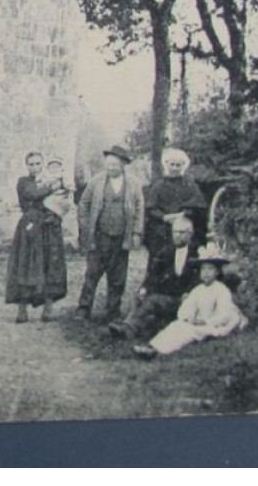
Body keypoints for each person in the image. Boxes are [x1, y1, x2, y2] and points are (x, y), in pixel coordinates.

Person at [133, 250, 246, 359]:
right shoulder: (197, 290)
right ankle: (151, 346)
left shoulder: (221, 290)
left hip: (213, 325)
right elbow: (186, 308)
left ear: (217, 272)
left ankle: (160, 351)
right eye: (203, 269)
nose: (206, 272)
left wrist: (205, 321)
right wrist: (188, 317)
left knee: (188, 332)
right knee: (176, 325)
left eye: (210, 269)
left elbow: (224, 315)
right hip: (196, 322)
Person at [76, 145, 144, 322]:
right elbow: (83, 204)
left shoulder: (134, 184)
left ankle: (113, 311)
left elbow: (139, 209)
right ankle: (83, 309)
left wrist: (136, 232)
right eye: (108, 164)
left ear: (123, 164)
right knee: (92, 273)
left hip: (122, 236)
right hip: (100, 236)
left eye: (114, 164)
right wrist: (85, 226)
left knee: (118, 276)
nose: (111, 167)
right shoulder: (96, 181)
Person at [111, 213, 200, 342]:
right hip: (167, 295)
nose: (177, 236)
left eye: (181, 232)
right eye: (174, 232)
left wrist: (189, 292)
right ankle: (128, 327)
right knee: (139, 295)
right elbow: (153, 274)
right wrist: (145, 288)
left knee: (153, 301)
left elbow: (199, 278)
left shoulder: (197, 252)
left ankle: (129, 328)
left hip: (185, 299)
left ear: (189, 234)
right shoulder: (166, 252)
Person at [5, 150, 70, 323]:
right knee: (26, 265)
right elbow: (32, 194)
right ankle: (22, 310)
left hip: (48, 227)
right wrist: (53, 187)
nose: (35, 167)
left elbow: (65, 196)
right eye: (31, 164)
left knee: (50, 265)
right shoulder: (24, 182)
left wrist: (54, 188)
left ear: (43, 165)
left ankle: (48, 309)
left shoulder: (48, 179)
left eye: (38, 164)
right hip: (30, 227)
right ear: (27, 166)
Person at [143, 147, 209, 252]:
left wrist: (182, 215)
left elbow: (200, 206)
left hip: (184, 227)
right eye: (172, 164)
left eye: (178, 165)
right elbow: (150, 208)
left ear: (183, 166)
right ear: (166, 165)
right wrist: (164, 217)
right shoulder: (158, 185)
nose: (174, 168)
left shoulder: (190, 184)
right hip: (163, 229)